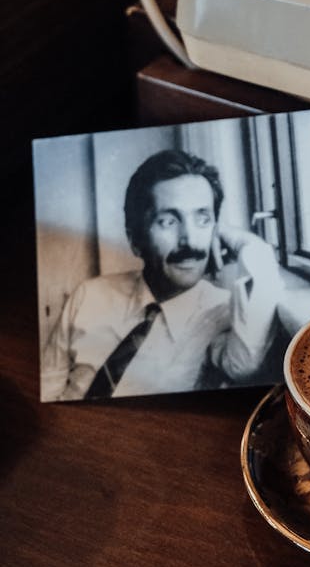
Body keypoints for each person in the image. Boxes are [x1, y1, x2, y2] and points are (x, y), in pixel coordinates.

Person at [41, 148, 284, 401]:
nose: (189, 240)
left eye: (202, 219)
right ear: (135, 239)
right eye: (168, 221)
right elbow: (48, 385)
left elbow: (245, 365)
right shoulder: (89, 295)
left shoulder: (224, 314)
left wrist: (251, 247)